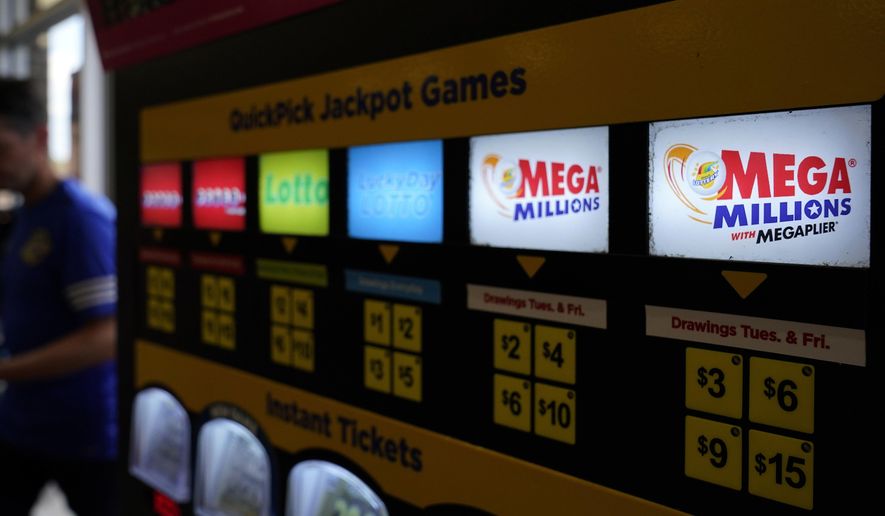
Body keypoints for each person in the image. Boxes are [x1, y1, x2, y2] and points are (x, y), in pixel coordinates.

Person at [0, 79, 118, 514]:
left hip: (85, 434)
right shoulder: (26, 216)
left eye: (3, 148)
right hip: (22, 424)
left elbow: (108, 335)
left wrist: (10, 369)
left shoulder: (81, 219)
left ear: (42, 138)